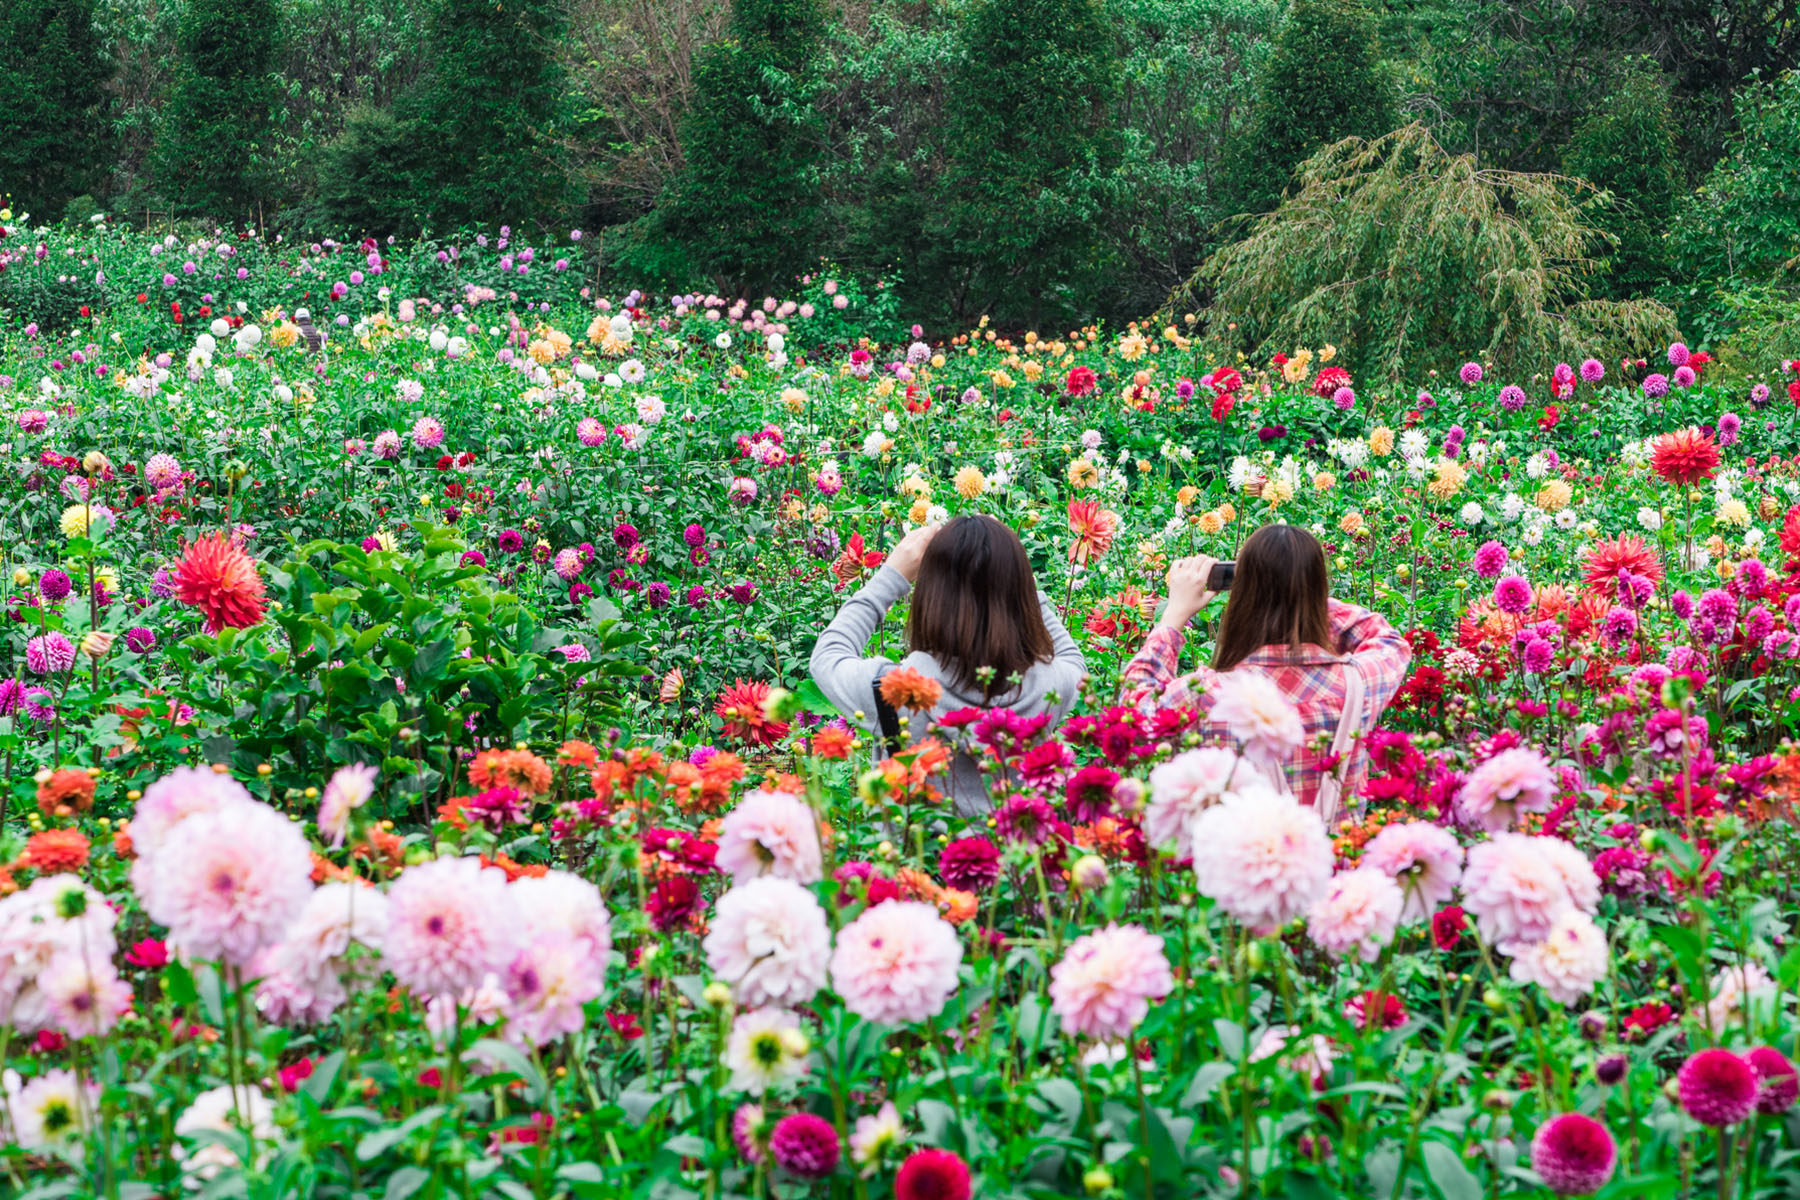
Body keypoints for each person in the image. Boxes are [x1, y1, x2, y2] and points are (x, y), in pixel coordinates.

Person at [1120, 523, 1411, 823]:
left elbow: (1133, 711)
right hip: (1336, 863)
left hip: (1242, 863)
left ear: (1242, 594)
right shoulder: (1357, 685)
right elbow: (1387, 639)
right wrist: (1298, 591)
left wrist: (1173, 615)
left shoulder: (1206, 694)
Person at [809, 514, 1088, 813]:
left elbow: (827, 656)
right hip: (1021, 856)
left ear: (931, 598)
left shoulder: (893, 689)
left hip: (915, 856)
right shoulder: (1049, 687)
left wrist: (892, 575)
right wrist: (1012, 571)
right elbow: (1074, 662)